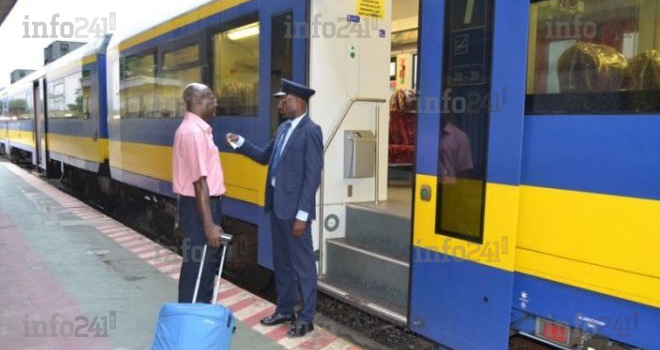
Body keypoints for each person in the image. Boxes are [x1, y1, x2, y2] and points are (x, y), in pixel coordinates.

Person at [226, 79, 323, 337]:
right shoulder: (282, 129)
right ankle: (285, 309)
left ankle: (306, 317)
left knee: (303, 266)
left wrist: (302, 216)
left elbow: (312, 176)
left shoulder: (311, 131)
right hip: (278, 208)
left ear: (299, 102)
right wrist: (240, 143)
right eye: (280, 100)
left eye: (285, 100)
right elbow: (264, 156)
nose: (280, 104)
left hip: (295, 213)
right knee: (282, 263)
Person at [172, 83, 225, 303]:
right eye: (211, 99)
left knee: (203, 267)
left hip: (197, 206)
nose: (216, 103)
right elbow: (199, 183)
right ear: (197, 102)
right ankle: (191, 317)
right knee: (198, 269)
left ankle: (198, 315)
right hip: (200, 208)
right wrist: (209, 224)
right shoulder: (193, 133)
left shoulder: (197, 129)